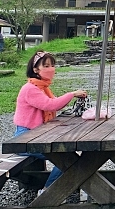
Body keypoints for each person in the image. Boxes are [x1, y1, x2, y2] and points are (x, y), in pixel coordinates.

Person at [13, 51, 88, 190]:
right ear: (36, 69)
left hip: (38, 135)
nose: (51, 69)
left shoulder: (43, 88)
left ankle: (69, 186)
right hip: (24, 138)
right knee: (65, 157)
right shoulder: (30, 89)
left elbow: (52, 102)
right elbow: (51, 105)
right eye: (46, 66)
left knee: (67, 155)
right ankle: (49, 190)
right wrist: (72, 94)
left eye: (52, 65)